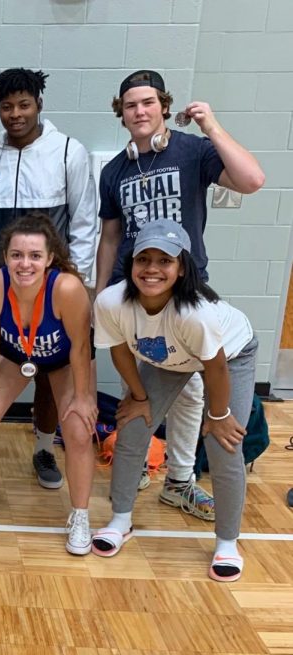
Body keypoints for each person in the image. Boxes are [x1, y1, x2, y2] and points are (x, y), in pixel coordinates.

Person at [95, 69, 265, 518]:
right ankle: (175, 480)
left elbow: (252, 180)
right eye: (130, 105)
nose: (140, 111)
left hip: (187, 289)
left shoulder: (192, 151)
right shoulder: (115, 171)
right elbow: (110, 239)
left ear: (164, 107)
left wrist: (210, 125)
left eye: (148, 102)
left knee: (195, 389)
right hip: (139, 290)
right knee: (170, 391)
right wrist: (100, 295)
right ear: (122, 113)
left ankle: (181, 479)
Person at [92, 220, 257, 582]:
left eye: (164, 261)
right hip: (170, 357)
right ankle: (120, 521)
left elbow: (214, 367)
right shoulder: (111, 302)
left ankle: (227, 542)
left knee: (223, 443)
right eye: (144, 259)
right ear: (131, 263)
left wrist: (219, 415)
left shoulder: (195, 314)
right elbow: (119, 351)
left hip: (230, 355)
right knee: (133, 426)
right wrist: (138, 398)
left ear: (181, 267)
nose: (152, 269)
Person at [0, 68, 97, 492]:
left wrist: (82, 284)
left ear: (39, 104)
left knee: (49, 372)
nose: (15, 114)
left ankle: (42, 446)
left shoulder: (69, 151)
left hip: (52, 288)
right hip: (0, 286)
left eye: (24, 104)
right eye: (6, 106)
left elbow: (85, 220)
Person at [0, 213, 97, 556]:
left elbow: (81, 347)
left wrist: (84, 396)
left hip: (65, 361)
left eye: (34, 256)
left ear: (49, 259)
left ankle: (79, 516)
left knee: (78, 429)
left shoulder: (68, 289)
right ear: (5, 257)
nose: (25, 263)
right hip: (17, 357)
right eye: (17, 255)